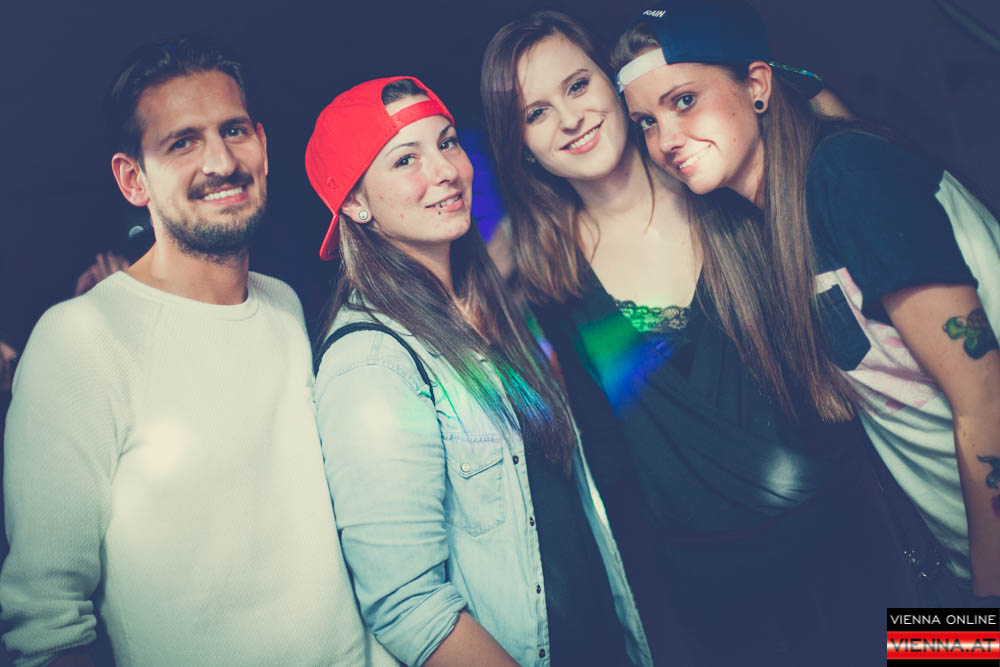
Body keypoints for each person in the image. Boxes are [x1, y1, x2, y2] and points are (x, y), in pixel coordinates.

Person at [481, 9, 913, 666]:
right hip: (718, 607)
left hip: (857, 537)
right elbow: (609, 457)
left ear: (616, 83)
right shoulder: (550, 273)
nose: (569, 118)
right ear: (521, 147)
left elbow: (834, 150)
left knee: (947, 649)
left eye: (578, 85)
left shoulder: (723, 177)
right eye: (535, 113)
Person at [0, 36, 393, 667]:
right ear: (133, 179)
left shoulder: (285, 305)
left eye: (233, 131)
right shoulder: (81, 340)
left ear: (262, 146)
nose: (220, 161)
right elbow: (46, 623)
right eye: (182, 142)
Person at [614, 0, 1000, 601]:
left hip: (988, 576)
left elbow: (986, 395)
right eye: (645, 121)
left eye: (684, 100)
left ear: (757, 85)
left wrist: (984, 609)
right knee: (908, 644)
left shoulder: (852, 175)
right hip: (951, 563)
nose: (665, 140)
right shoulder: (766, 224)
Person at [304, 76, 651, 667]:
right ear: (356, 203)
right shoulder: (372, 363)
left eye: (446, 143)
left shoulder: (489, 308)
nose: (445, 170)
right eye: (406, 159)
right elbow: (410, 607)